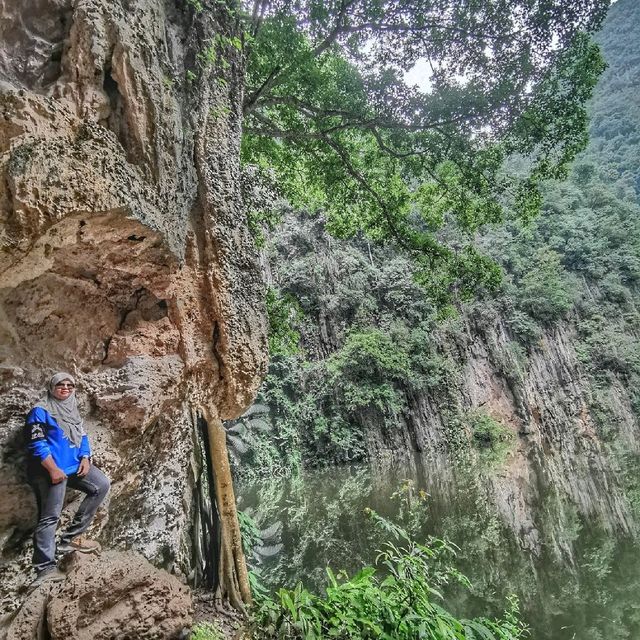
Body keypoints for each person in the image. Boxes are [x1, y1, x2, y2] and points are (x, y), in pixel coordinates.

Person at [24, 372, 111, 585]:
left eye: (69, 385)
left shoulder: (72, 409)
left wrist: (85, 457)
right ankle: (44, 569)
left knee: (101, 484)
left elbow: (81, 435)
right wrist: (53, 469)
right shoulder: (40, 411)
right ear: (52, 388)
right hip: (48, 471)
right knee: (50, 517)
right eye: (60, 385)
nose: (65, 388)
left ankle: (69, 540)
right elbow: (37, 444)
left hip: (73, 466)